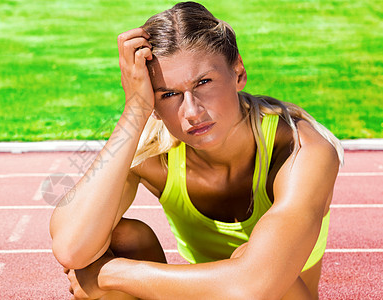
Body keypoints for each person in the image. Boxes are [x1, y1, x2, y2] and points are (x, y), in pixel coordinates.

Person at [49, 2, 343, 299]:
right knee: (119, 239)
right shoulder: (153, 150)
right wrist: (135, 111)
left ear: (238, 72)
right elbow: (72, 248)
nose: (191, 111)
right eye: (169, 94)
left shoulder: (300, 149)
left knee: (249, 255)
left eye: (203, 82)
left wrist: (112, 273)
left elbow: (254, 286)